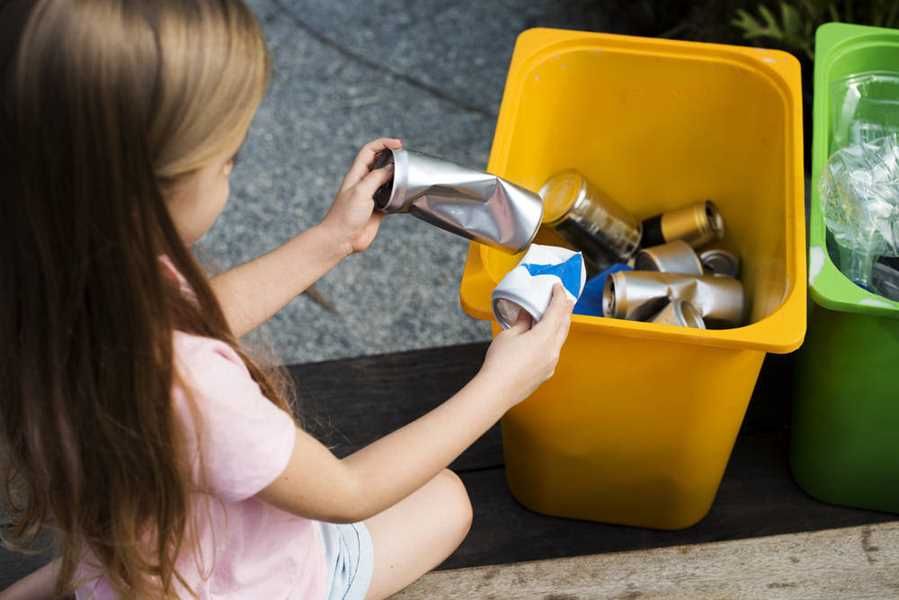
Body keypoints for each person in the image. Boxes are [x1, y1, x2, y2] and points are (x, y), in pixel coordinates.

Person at [0, 1, 572, 598]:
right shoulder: (192, 388)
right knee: (449, 501)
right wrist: (502, 385)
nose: (233, 173)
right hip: (253, 580)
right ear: (147, 190)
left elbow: (197, 318)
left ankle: (94, 577)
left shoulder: (57, 274)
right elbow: (348, 493)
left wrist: (331, 241)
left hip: (138, 536)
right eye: (228, 161)